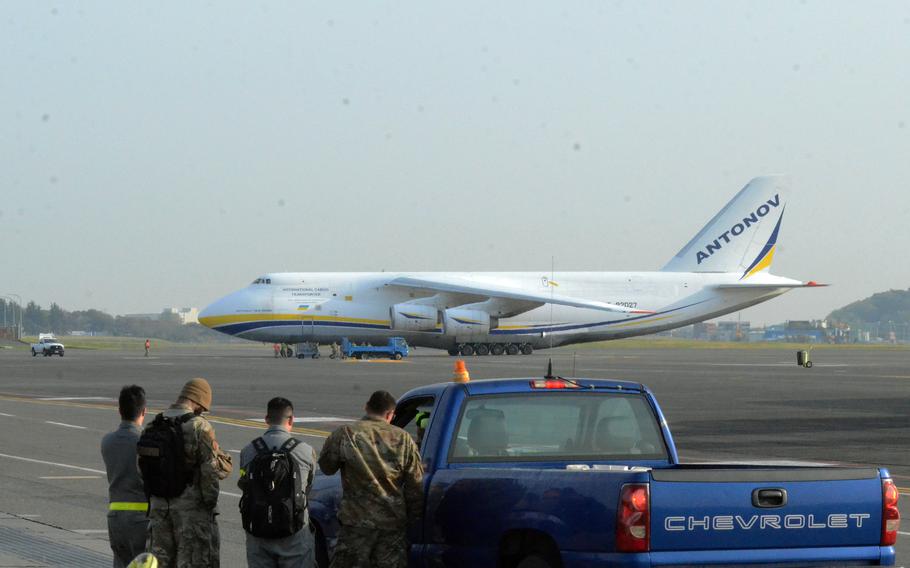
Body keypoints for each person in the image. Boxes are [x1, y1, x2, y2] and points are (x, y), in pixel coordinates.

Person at [318, 391, 424, 568]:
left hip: (356, 524)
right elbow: (415, 485)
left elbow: (327, 468)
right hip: (391, 524)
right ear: (391, 415)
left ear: (366, 407)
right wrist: (413, 519)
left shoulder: (346, 434)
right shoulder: (404, 439)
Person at [147, 378, 233, 567]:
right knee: (196, 561)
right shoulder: (199, 426)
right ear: (200, 402)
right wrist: (209, 505)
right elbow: (209, 470)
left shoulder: (155, 424)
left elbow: (143, 467)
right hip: (191, 513)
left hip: (159, 509)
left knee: (160, 563)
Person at [238, 397, 318, 567]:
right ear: (291, 420)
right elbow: (309, 485)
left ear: (267, 419)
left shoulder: (248, 451)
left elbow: (244, 483)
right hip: (294, 531)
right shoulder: (305, 451)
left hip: (258, 529)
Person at [101, 385, 150, 568]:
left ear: (119, 410)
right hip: (142, 517)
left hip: (116, 517)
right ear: (144, 411)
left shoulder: (108, 441)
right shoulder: (146, 442)